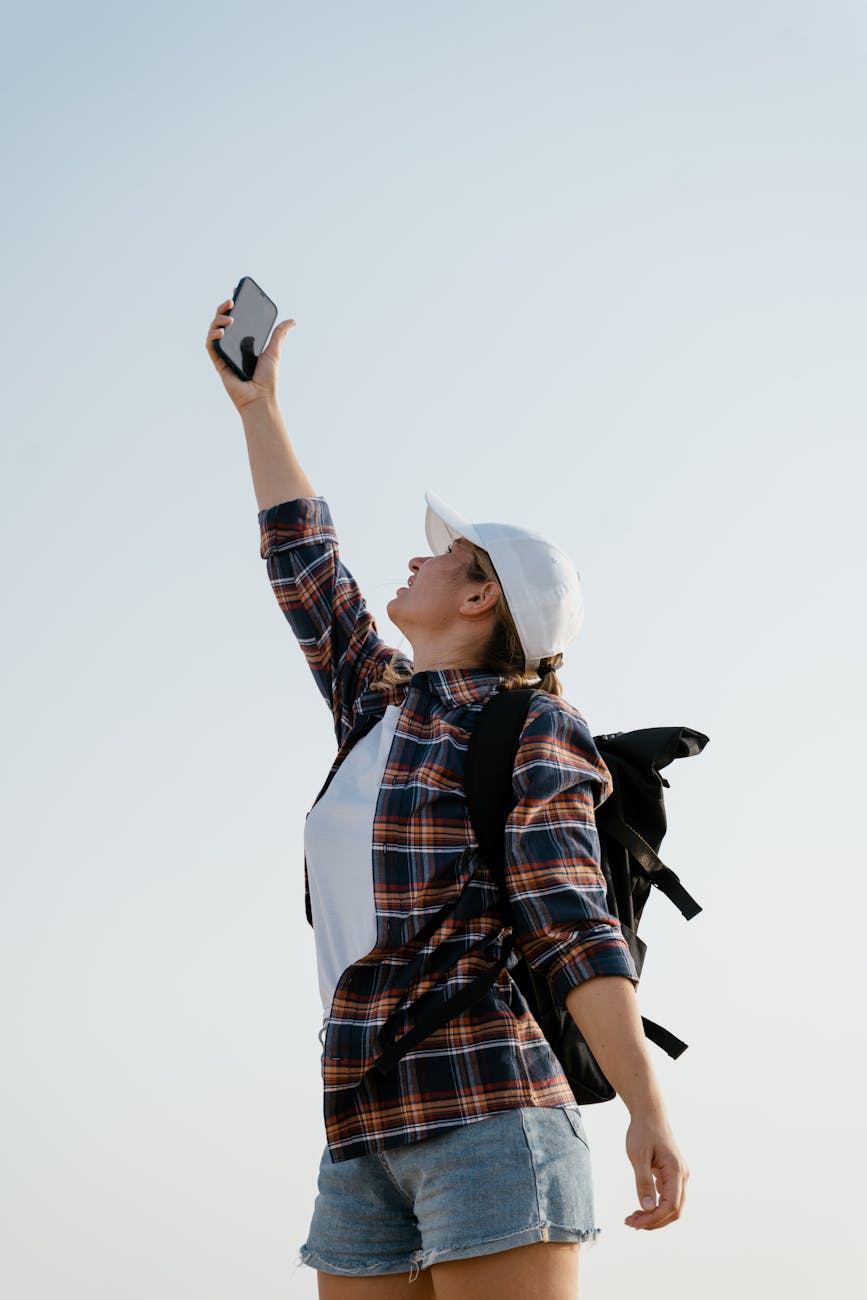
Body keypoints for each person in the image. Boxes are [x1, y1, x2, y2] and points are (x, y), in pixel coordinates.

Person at [205, 296, 688, 1300]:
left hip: (489, 1110)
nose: (417, 556)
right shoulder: (378, 709)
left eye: (444, 555)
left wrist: (647, 1106)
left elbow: (572, 925)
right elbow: (304, 561)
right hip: (360, 1125)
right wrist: (259, 406)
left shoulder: (530, 727)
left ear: (480, 599)